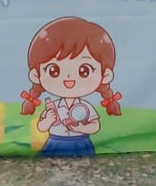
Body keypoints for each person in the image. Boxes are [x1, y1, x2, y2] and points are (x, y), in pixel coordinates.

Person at [19, 17, 121, 157]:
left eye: (84, 71)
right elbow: (41, 127)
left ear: (105, 75)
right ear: (36, 75)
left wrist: (82, 128)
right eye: (53, 70)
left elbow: (95, 125)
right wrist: (48, 121)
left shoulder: (85, 107)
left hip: (81, 142)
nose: (69, 79)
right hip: (55, 142)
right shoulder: (53, 107)